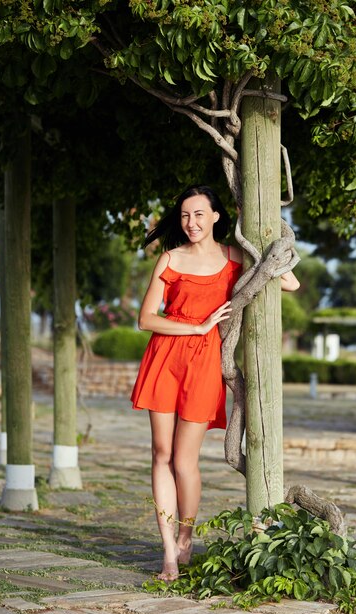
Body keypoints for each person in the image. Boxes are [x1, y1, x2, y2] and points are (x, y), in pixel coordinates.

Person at [131, 184, 299, 581]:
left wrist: (267, 231)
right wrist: (198, 327)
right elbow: (146, 320)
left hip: (204, 365)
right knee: (160, 454)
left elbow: (289, 283)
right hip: (165, 358)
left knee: (185, 460)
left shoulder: (233, 257)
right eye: (186, 215)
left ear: (217, 217)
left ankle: (186, 537)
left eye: (200, 215)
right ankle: (169, 549)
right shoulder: (169, 258)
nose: (191, 223)